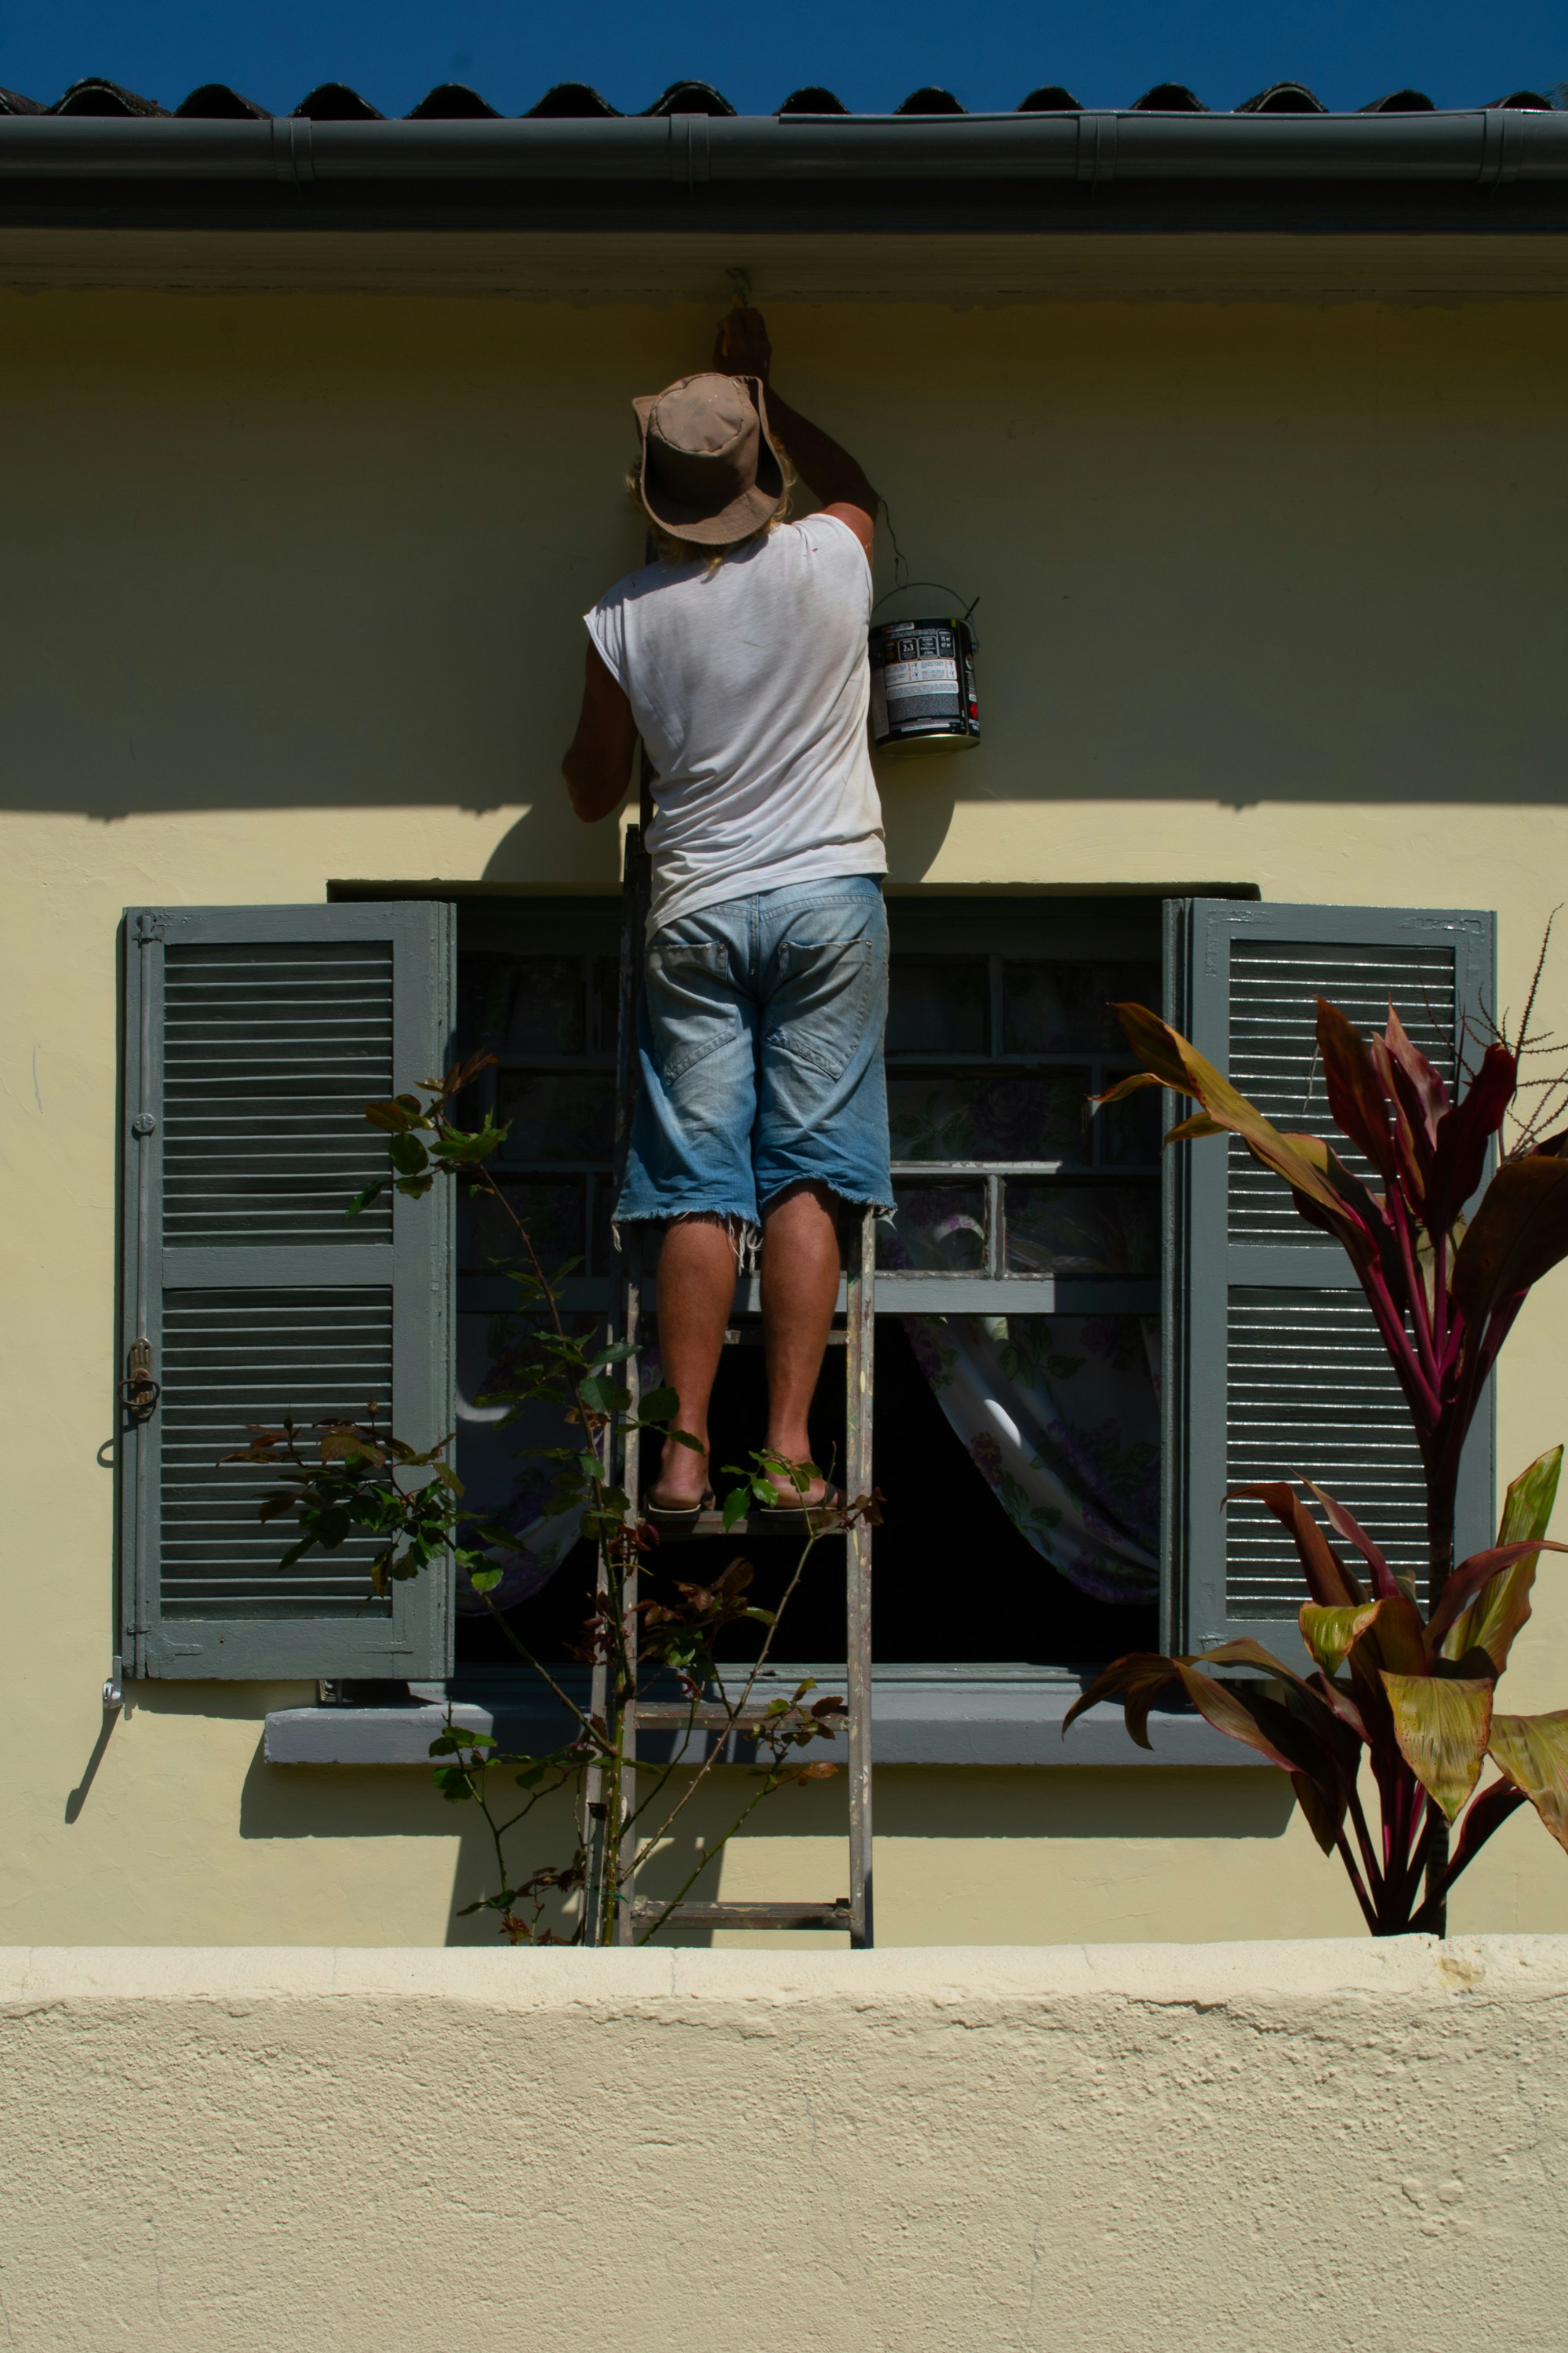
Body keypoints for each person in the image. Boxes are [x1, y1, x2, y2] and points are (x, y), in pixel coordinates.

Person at [561, 305, 890, 1521]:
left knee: (699, 1183)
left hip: (695, 909)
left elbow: (595, 793)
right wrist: (769, 390)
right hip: (827, 896)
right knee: (806, 1176)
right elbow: (862, 488)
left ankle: (687, 1449)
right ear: (763, 476)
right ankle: (794, 1449)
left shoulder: (622, 618)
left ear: (653, 491)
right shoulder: (829, 557)